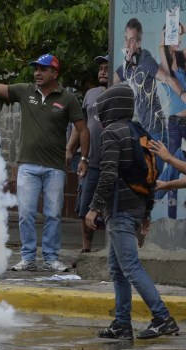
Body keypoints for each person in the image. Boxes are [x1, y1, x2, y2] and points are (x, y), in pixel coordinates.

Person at [0, 53, 90, 272]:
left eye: (43, 69)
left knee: (53, 214)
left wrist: (83, 158)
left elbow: (82, 129)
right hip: (28, 165)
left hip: (55, 167)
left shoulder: (67, 99)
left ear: (54, 73)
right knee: (26, 214)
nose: (37, 73)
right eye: (36, 69)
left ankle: (51, 257)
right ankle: (28, 258)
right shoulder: (25, 91)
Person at [86, 84, 180, 340]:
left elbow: (107, 174)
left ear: (111, 106)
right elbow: (150, 177)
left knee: (129, 267)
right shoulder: (139, 131)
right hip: (136, 207)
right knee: (117, 269)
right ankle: (122, 324)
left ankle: (162, 318)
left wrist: (94, 207)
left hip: (120, 209)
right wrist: (147, 213)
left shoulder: (112, 133)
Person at [114, 17, 186, 173]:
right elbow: (114, 80)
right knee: (145, 181)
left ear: (139, 42)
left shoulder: (145, 60)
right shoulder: (128, 64)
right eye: (126, 40)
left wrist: (182, 94)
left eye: (132, 40)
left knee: (153, 181)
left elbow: (167, 78)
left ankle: (179, 158)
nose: (127, 44)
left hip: (155, 132)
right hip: (141, 131)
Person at [67, 55, 109, 265]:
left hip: (114, 161)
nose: (103, 71)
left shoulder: (124, 90)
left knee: (115, 208)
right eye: (100, 68)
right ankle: (86, 250)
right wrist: (69, 149)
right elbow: (80, 126)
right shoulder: (91, 94)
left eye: (107, 67)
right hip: (91, 160)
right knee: (85, 206)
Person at [156, 22, 186, 219]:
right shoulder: (162, 67)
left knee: (179, 159)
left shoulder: (183, 59)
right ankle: (171, 213)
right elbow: (167, 71)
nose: (177, 39)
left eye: (179, 35)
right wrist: (164, 39)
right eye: (172, 35)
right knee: (173, 163)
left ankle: (155, 194)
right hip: (175, 123)